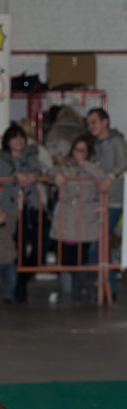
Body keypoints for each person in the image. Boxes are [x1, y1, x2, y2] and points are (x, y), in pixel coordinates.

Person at [49, 136, 109, 301]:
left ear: (88, 153)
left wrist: (84, 164)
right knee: (66, 258)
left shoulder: (94, 167)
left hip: (85, 218)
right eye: (76, 150)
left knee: (79, 258)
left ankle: (79, 291)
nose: (78, 154)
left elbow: (103, 177)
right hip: (67, 217)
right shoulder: (65, 166)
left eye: (82, 150)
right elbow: (50, 171)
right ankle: (88, 286)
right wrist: (58, 174)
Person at [0, 123, 46, 302]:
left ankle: (20, 282)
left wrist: (31, 174)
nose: (20, 140)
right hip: (13, 211)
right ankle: (17, 287)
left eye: (22, 136)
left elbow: (38, 170)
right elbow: (4, 173)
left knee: (40, 250)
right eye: (15, 137)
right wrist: (19, 175)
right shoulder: (1, 156)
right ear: (7, 141)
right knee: (18, 251)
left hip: (33, 208)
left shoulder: (31, 153)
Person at [86, 107, 127, 298]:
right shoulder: (95, 144)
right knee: (100, 244)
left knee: (98, 243)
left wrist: (110, 177)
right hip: (100, 199)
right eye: (89, 123)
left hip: (114, 201)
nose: (90, 126)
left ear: (105, 122)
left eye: (94, 122)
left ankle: (105, 284)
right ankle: (105, 284)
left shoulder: (116, 141)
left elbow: (123, 162)